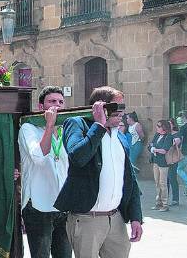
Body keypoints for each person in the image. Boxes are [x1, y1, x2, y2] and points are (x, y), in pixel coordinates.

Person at [54, 86, 143, 258]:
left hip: (115, 219)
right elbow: (78, 157)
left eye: (123, 109)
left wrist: (136, 217)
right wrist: (99, 125)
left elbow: (129, 179)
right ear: (100, 107)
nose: (121, 114)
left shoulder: (120, 136)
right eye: (115, 109)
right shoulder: (77, 124)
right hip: (87, 219)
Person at [17, 86, 71, 258]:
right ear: (41, 107)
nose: (57, 106)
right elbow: (39, 157)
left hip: (63, 205)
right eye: (52, 101)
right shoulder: (28, 128)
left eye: (61, 102)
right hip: (38, 205)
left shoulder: (65, 130)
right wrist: (49, 125)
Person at [148, 119, 173, 212]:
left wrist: (154, 149)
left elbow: (164, 150)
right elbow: (150, 145)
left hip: (163, 163)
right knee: (157, 183)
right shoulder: (157, 135)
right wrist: (154, 148)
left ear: (164, 128)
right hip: (156, 161)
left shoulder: (168, 137)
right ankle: (158, 203)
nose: (157, 127)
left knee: (163, 183)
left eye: (158, 126)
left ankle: (165, 204)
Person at [165, 119, 182, 206]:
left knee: (172, 178)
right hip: (165, 158)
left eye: (169, 124)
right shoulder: (166, 134)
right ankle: (165, 198)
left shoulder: (176, 134)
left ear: (173, 125)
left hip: (172, 158)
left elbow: (175, 143)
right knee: (165, 179)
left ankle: (175, 199)